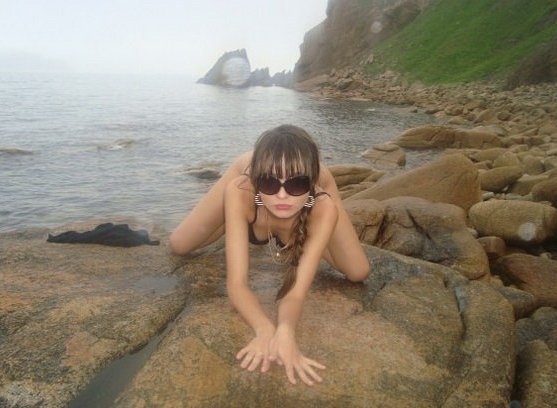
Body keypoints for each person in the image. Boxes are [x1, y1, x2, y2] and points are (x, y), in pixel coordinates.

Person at [170, 124, 370, 386]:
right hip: (251, 178)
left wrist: (286, 331)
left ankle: (302, 220)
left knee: (357, 271)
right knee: (179, 244)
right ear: (257, 181)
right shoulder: (241, 188)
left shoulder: (322, 205)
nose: (282, 195)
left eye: (297, 184)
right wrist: (264, 330)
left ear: (310, 184)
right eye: (269, 183)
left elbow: (295, 294)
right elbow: (237, 284)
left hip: (309, 187)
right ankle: (237, 218)